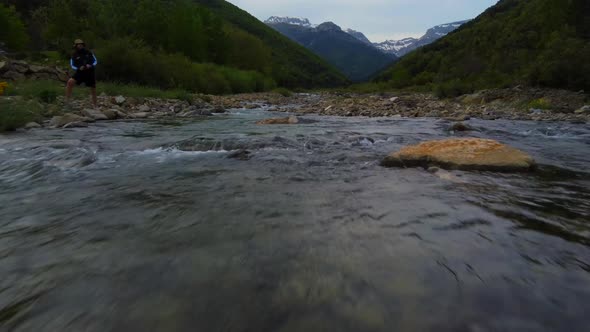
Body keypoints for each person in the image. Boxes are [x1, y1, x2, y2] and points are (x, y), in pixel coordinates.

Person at [66, 39, 98, 108]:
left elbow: (95, 61)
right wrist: (78, 68)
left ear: (83, 45)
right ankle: (67, 102)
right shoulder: (74, 54)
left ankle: (95, 105)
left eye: (81, 45)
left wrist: (90, 65)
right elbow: (72, 65)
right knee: (70, 82)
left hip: (90, 72)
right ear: (76, 46)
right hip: (80, 73)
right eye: (78, 45)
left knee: (93, 88)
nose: (80, 46)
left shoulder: (89, 52)